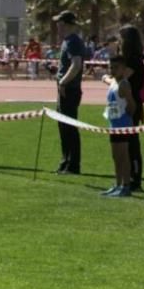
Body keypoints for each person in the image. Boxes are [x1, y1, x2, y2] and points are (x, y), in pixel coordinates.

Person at [53, 11, 85, 174]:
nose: (57, 26)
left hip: (69, 90)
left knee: (69, 127)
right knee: (63, 127)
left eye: (59, 23)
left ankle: (73, 164)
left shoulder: (73, 41)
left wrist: (63, 81)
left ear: (65, 24)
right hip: (65, 89)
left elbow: (76, 64)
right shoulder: (68, 41)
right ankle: (66, 161)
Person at [100, 56, 136, 197]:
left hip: (122, 125)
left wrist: (128, 120)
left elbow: (132, 105)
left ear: (123, 69)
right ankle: (117, 184)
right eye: (111, 67)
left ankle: (126, 186)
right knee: (115, 156)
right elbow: (107, 79)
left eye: (116, 67)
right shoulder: (114, 82)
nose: (113, 70)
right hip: (113, 124)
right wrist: (104, 77)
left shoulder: (124, 85)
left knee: (123, 156)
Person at [118, 25, 144, 191]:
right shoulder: (127, 58)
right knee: (125, 141)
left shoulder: (134, 59)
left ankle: (136, 178)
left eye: (121, 38)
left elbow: (120, 79)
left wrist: (107, 78)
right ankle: (127, 177)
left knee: (132, 142)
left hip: (132, 103)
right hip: (124, 103)